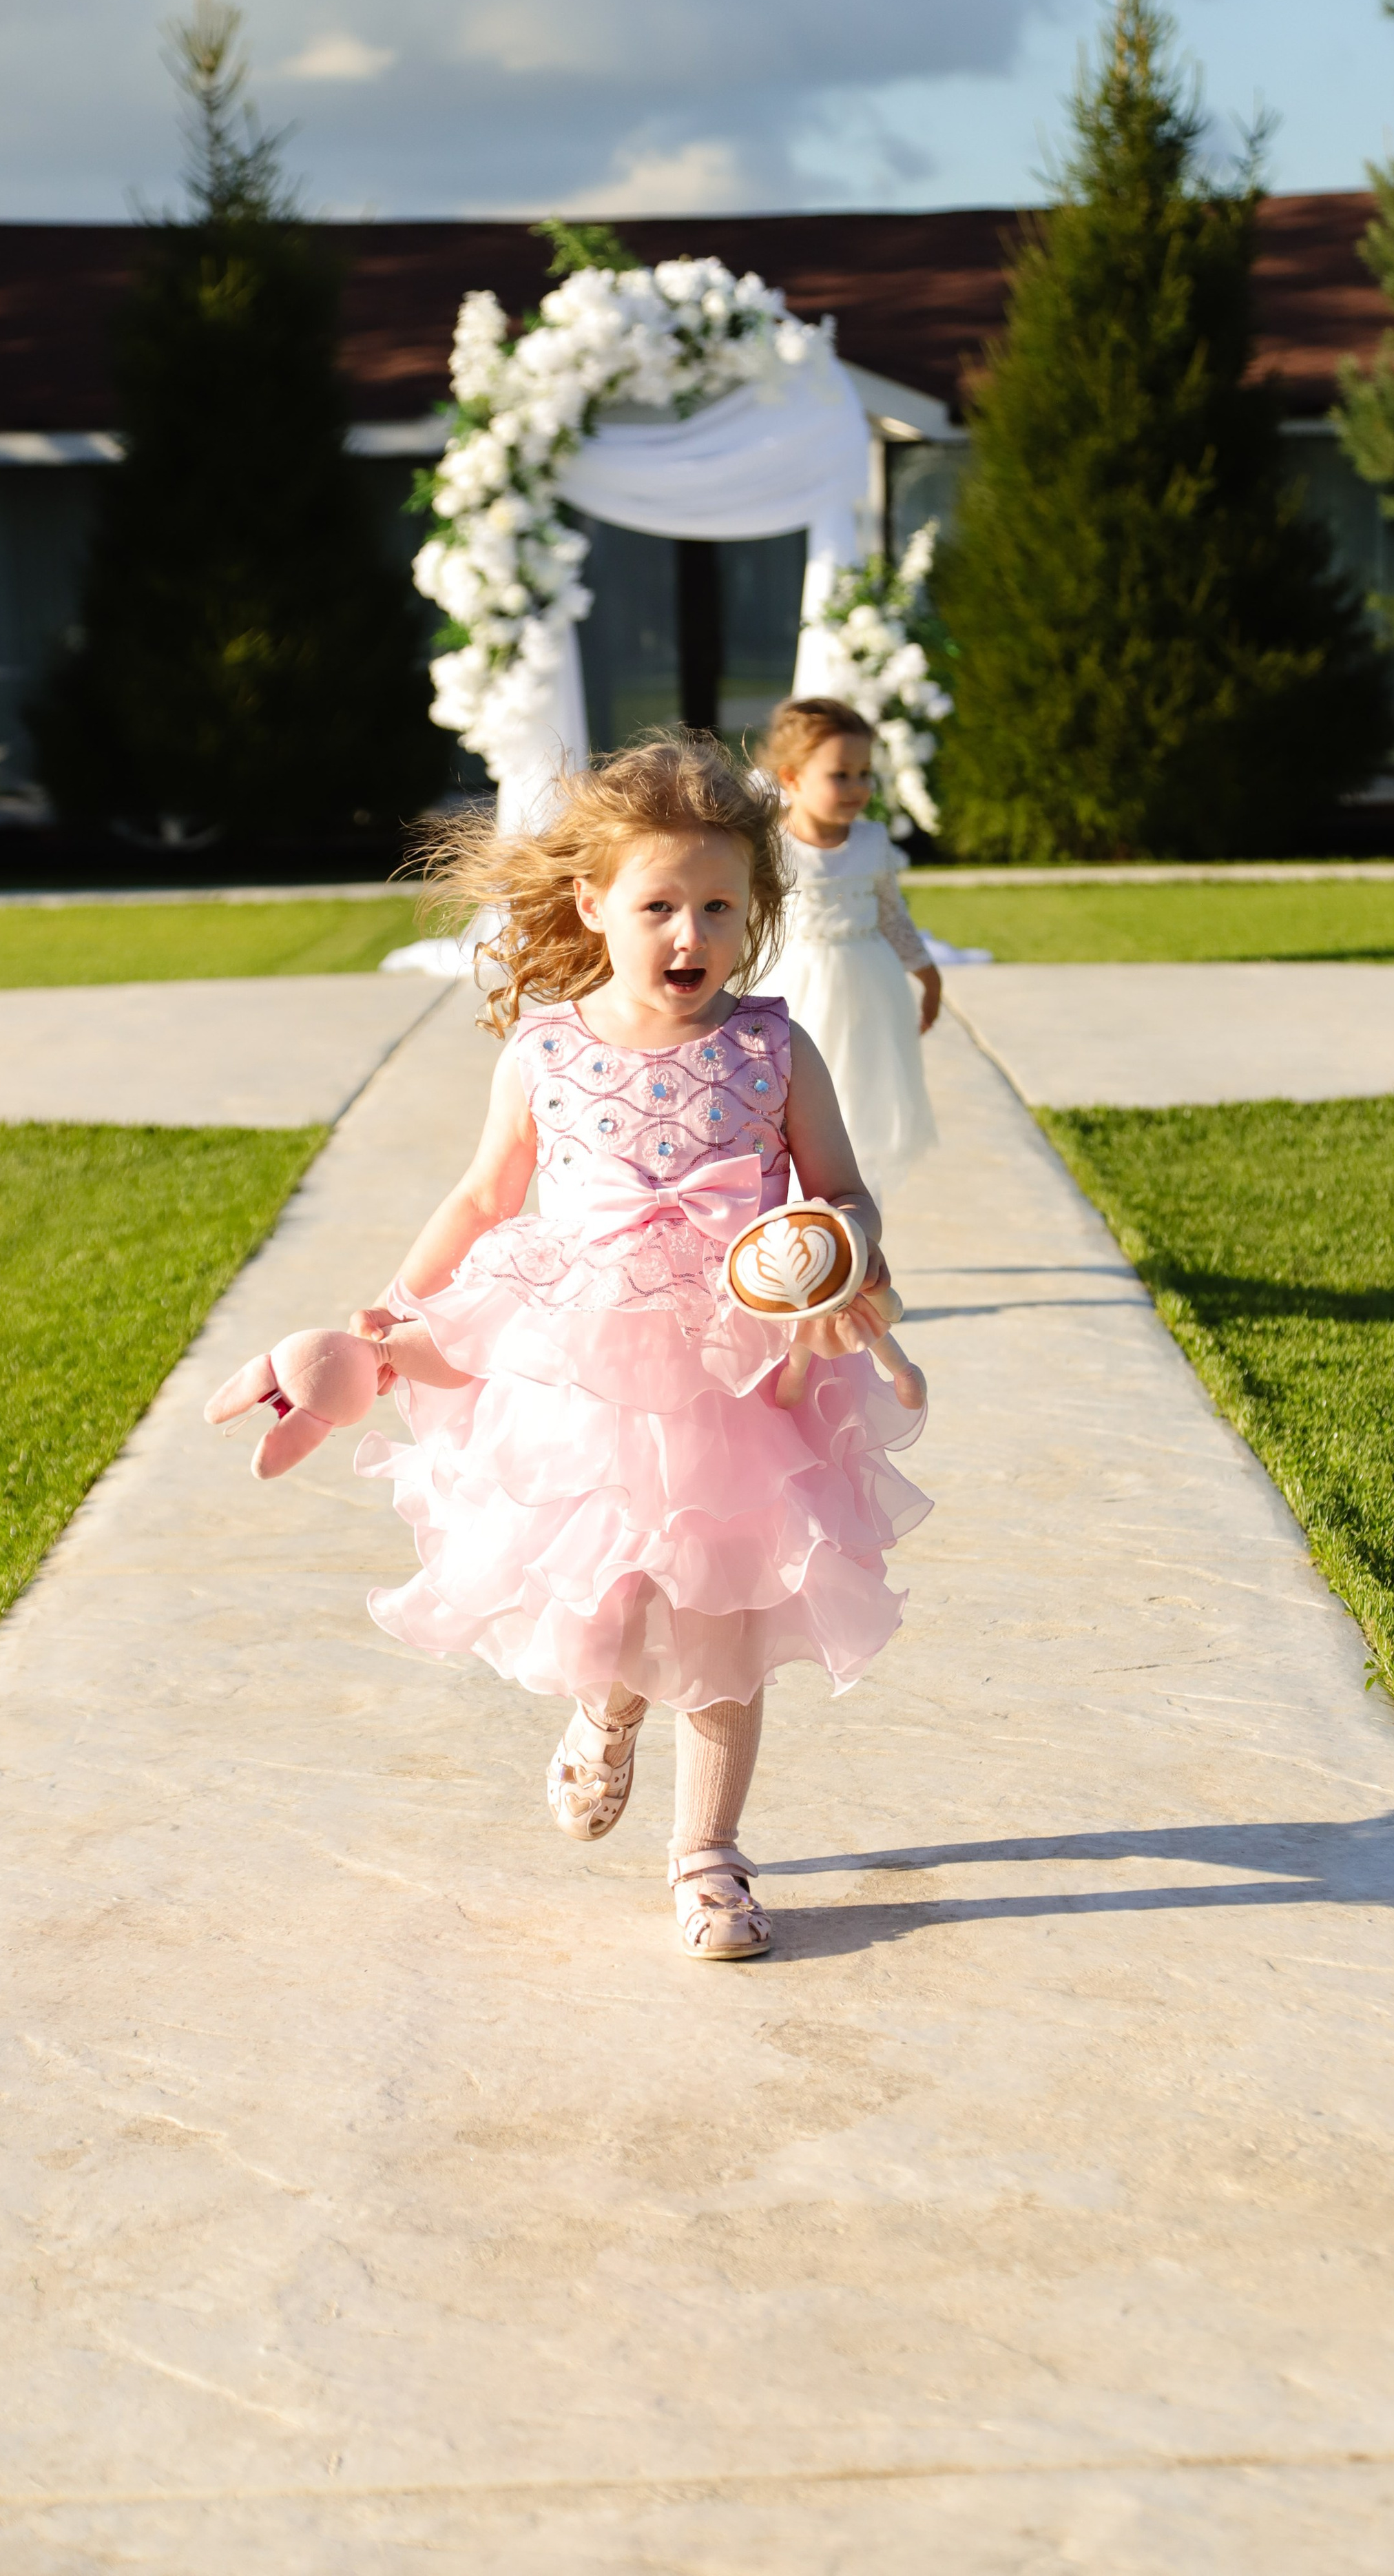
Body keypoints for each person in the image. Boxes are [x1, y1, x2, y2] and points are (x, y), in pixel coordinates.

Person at [346, 735, 930, 1963]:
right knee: (613, 1596)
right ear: (592, 903)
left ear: (752, 911)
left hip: (739, 1380)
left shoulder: (773, 1049)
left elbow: (845, 1191)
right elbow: (482, 1195)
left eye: (719, 906)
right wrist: (400, 1306)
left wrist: (842, 1247)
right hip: (587, 1379)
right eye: (660, 904)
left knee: (723, 1620)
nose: (690, 933)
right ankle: (605, 1715)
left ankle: (708, 1857)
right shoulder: (547, 1051)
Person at [755, 696, 940, 1206]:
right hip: (798, 986)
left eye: (864, 774)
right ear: (792, 778)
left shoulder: (873, 841)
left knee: (862, 1092)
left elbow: (892, 914)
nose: (858, 787)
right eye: (841, 775)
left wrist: (928, 974)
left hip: (869, 987)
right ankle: (791, 1202)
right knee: (797, 1091)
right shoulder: (769, 846)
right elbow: (751, 922)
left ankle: (852, 1207)